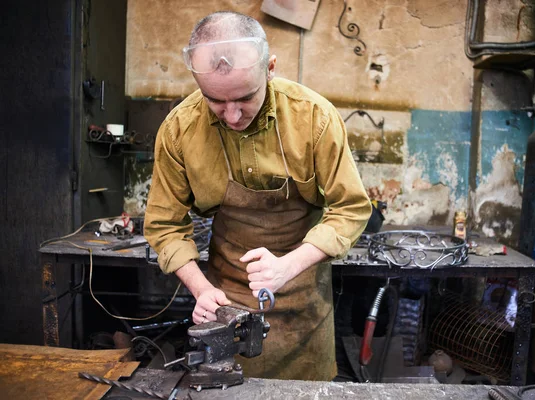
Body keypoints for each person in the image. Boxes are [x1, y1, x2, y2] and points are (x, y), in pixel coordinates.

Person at [144, 11, 371, 381]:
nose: (232, 116)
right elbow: (165, 226)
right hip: (225, 295)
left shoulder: (314, 118)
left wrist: (287, 267)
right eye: (215, 101)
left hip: (304, 296)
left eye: (245, 99)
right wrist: (201, 290)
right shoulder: (179, 130)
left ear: (270, 68)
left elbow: (351, 208)